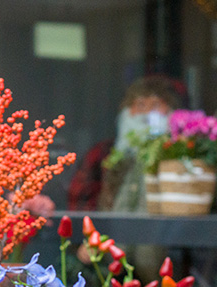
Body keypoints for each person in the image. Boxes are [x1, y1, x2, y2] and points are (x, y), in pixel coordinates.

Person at [68, 75, 185, 212]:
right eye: (140, 105)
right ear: (127, 110)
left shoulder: (182, 152)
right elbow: (81, 202)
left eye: (156, 105)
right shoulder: (101, 154)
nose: (147, 113)